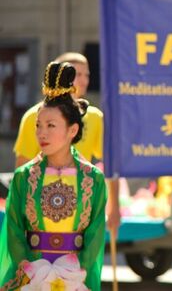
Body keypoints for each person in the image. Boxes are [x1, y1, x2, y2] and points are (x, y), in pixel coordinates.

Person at [0, 61, 106, 290]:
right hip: (30, 276)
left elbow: (96, 232)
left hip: (76, 276)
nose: (41, 133)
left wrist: (78, 272)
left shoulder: (93, 179)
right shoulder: (24, 177)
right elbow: (14, 230)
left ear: (73, 130)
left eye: (51, 125)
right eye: (38, 125)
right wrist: (29, 269)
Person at [13, 52, 121, 235]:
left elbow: (111, 164)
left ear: (74, 129)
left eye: (87, 75)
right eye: (77, 74)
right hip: (42, 204)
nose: (83, 80)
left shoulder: (94, 117)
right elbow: (22, 167)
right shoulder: (34, 116)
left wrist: (114, 205)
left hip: (81, 202)